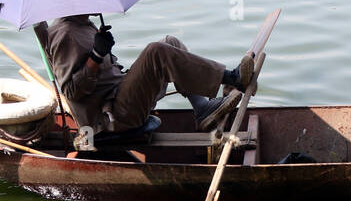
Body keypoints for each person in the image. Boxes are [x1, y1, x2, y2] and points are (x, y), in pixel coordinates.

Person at [47, 15, 257, 136]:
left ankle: (202, 108)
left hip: (120, 96)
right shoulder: (65, 33)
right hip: (110, 118)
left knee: (170, 42)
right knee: (156, 51)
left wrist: (101, 51)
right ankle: (232, 78)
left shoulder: (84, 23)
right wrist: (96, 55)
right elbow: (71, 92)